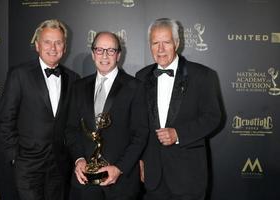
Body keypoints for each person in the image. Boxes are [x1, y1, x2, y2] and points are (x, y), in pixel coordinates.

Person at [136, 18, 222, 200]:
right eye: (155, 43)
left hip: (188, 177)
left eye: (166, 42)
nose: (160, 49)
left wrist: (178, 134)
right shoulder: (141, 77)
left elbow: (213, 117)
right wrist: (141, 159)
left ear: (177, 43)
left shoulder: (203, 75)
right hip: (153, 177)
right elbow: (140, 125)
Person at [0, 19, 80, 200]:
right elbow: (6, 118)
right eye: (47, 42)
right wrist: (15, 157)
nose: (53, 47)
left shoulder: (73, 79)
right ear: (37, 45)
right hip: (27, 165)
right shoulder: (19, 74)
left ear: (64, 47)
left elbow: (72, 124)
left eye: (58, 42)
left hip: (59, 166)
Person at [65, 31, 149, 200]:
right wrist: (79, 159)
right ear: (92, 54)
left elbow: (140, 135)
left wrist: (119, 167)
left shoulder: (136, 87)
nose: (104, 55)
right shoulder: (78, 87)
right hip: (85, 183)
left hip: (121, 184)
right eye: (99, 50)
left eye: (111, 50)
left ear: (118, 55)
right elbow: (70, 130)